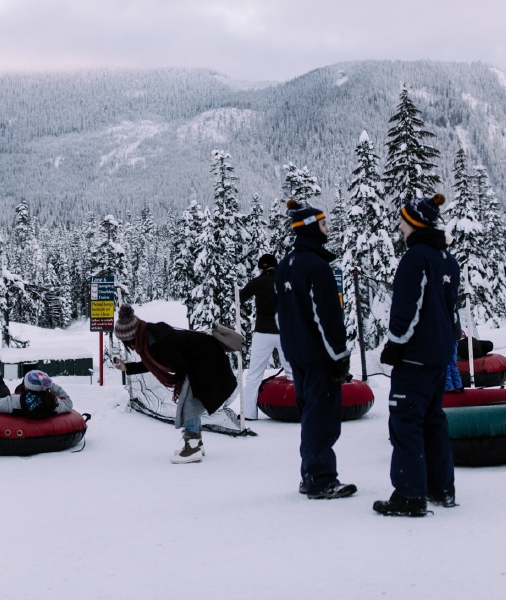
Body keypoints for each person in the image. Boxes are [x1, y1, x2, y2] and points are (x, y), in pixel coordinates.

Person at [375, 194, 460, 518]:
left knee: (405, 421)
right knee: (433, 420)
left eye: (403, 220)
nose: (400, 226)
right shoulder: (446, 258)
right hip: (440, 353)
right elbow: (450, 308)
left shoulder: (415, 258)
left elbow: (407, 307)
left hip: (415, 356)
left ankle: (410, 495)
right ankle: (442, 487)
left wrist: (395, 343)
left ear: (414, 223)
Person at [274, 201, 357, 499]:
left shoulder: (286, 264)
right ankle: (320, 479)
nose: (328, 229)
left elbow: (281, 314)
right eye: (323, 225)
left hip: (296, 353)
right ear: (311, 228)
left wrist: (290, 346)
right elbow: (327, 317)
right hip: (320, 355)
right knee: (322, 416)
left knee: (310, 414)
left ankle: (309, 474)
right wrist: (339, 356)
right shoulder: (317, 267)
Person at [113, 305, 237, 464]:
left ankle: (193, 448)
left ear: (131, 338)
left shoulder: (156, 342)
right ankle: (196, 444)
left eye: (126, 342)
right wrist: (127, 367)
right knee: (190, 403)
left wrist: (181, 384)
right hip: (201, 359)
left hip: (205, 361)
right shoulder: (149, 335)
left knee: (188, 406)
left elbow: (179, 365)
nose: (129, 346)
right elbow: (155, 361)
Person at [239, 254, 293, 420]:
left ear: (262, 268)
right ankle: (298, 409)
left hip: (263, 332)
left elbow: (239, 298)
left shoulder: (258, 282)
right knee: (293, 373)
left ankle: (248, 414)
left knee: (254, 375)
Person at [0, 369, 74, 418]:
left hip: (21, 401)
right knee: (21, 388)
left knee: (2, 394)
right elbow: (68, 403)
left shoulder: (13, 401)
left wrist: (8, 399)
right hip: (38, 397)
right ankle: (30, 381)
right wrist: (51, 386)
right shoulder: (53, 402)